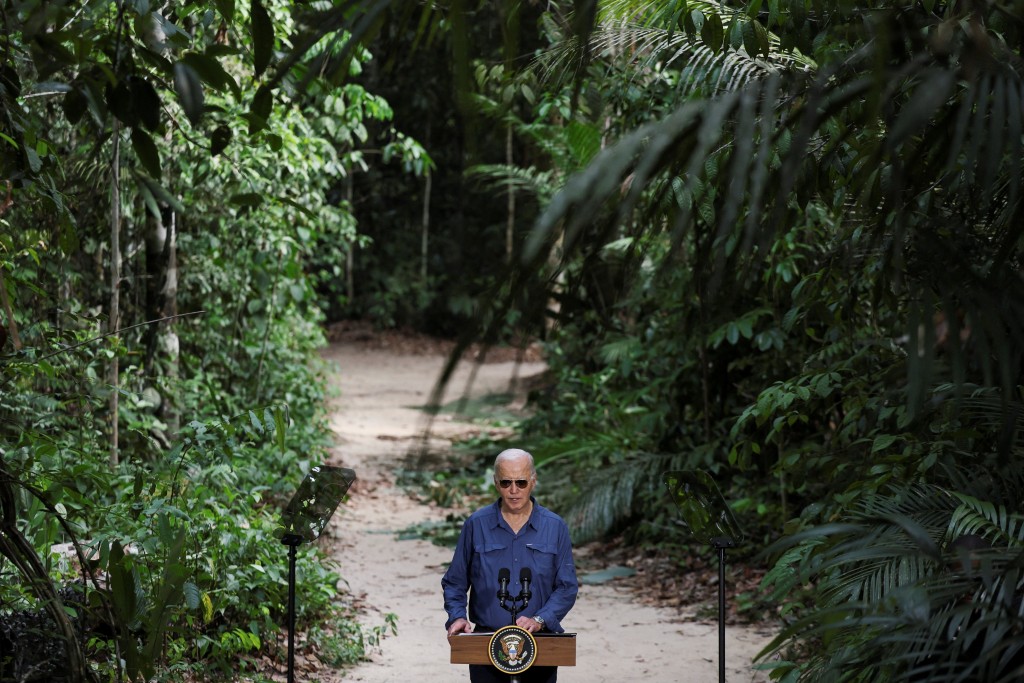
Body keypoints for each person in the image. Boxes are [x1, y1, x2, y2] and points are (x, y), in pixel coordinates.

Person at [442, 448, 579, 683]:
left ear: (533, 481)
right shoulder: (476, 525)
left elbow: (567, 587)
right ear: (496, 483)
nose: (514, 491)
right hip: (486, 640)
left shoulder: (555, 527)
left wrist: (539, 619)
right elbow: (455, 581)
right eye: (506, 482)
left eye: (521, 482)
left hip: (540, 642)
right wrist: (457, 616)